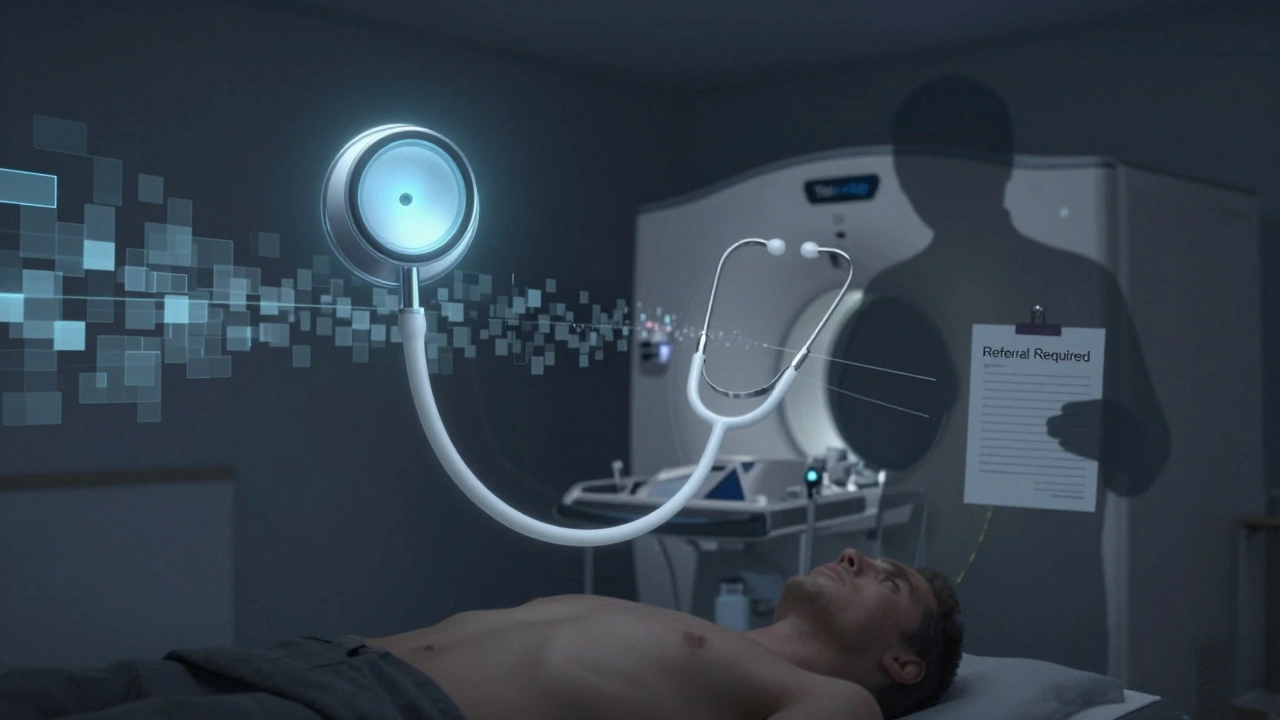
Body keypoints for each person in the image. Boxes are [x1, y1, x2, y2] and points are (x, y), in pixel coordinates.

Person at [0, 549, 962, 720]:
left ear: (902, 661)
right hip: (299, 664)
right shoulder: (705, 637)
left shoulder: (834, 701)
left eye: (892, 578)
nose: (857, 556)